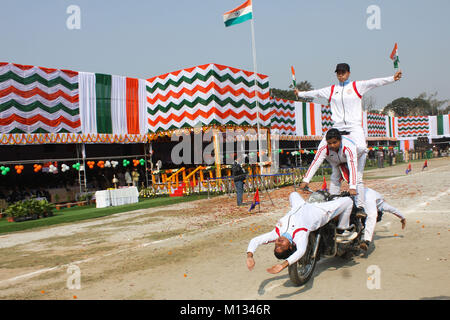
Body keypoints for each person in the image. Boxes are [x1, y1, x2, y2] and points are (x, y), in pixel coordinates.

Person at [295, 63, 402, 209]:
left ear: (349, 73)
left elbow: (375, 82)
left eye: (343, 72)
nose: (340, 74)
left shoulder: (357, 86)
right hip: (337, 127)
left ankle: (359, 204)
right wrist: (300, 94)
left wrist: (392, 78)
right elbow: (315, 93)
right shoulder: (332, 90)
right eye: (338, 72)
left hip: (354, 126)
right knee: (321, 149)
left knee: (362, 149)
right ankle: (329, 184)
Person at [246, 192, 357, 274]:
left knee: (293, 193)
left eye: (276, 246)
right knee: (348, 201)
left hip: (300, 205)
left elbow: (255, 240)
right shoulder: (299, 236)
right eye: (282, 246)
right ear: (290, 247)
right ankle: (343, 229)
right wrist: (283, 265)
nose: (279, 243)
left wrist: (250, 256)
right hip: (321, 210)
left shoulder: (276, 234)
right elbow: (301, 251)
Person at [300, 128, 358, 197]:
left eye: (335, 142)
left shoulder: (349, 146)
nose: (332, 145)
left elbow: (353, 167)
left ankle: (359, 205)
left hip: (356, 157)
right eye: (329, 143)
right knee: (335, 178)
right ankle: (334, 199)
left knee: (358, 181)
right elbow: (316, 162)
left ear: (340, 140)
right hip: (336, 161)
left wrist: (352, 187)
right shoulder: (323, 147)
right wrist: (306, 180)